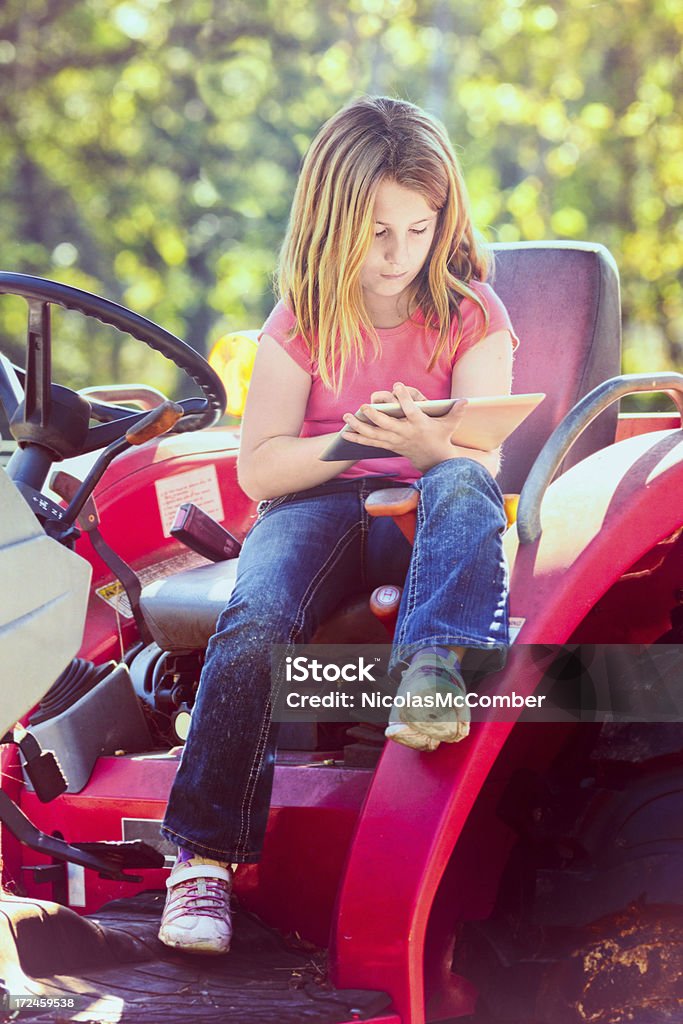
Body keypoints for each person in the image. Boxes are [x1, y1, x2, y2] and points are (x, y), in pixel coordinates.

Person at [158, 94, 518, 955]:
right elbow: (260, 467)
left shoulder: (471, 314)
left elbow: (484, 456)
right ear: (331, 220)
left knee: (464, 480)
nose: (399, 256)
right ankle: (202, 861)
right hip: (318, 502)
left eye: (418, 230)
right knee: (254, 620)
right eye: (377, 233)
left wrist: (430, 443)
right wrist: (352, 441)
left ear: (443, 219)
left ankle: (431, 673)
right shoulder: (302, 322)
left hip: (431, 501)